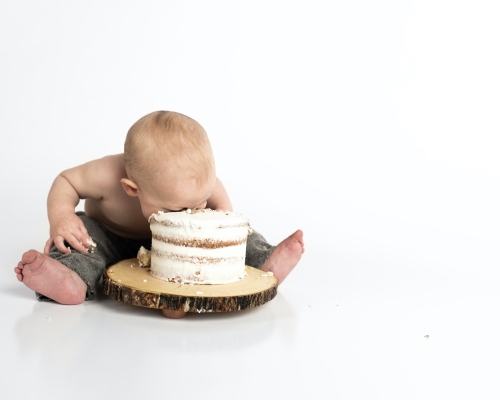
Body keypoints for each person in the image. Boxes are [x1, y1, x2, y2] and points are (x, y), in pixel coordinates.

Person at [14, 111, 304, 318]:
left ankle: (264, 259)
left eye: (200, 200)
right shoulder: (105, 175)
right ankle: (69, 278)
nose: (192, 211)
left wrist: (221, 223)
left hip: (178, 248)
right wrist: (62, 217)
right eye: (177, 209)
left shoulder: (195, 185)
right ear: (131, 189)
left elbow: (220, 203)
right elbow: (66, 181)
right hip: (111, 235)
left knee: (240, 235)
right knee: (82, 241)